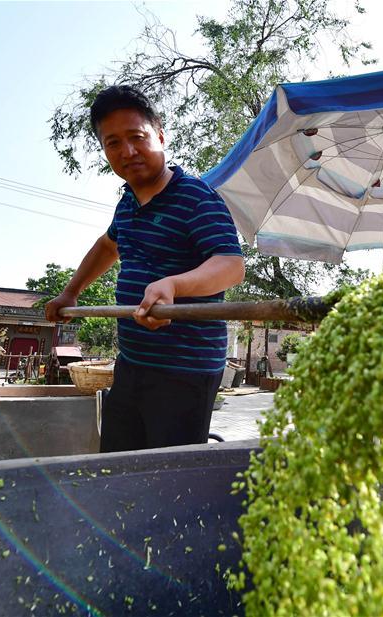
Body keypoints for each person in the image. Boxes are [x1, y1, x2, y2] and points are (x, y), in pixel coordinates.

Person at [45, 85, 245, 452]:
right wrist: (71, 291)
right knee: (118, 465)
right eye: (113, 143)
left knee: (168, 479)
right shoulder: (127, 204)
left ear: (161, 136)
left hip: (186, 370)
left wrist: (173, 285)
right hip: (133, 362)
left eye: (137, 137)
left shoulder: (196, 197)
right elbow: (108, 245)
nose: (128, 151)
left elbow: (231, 265)